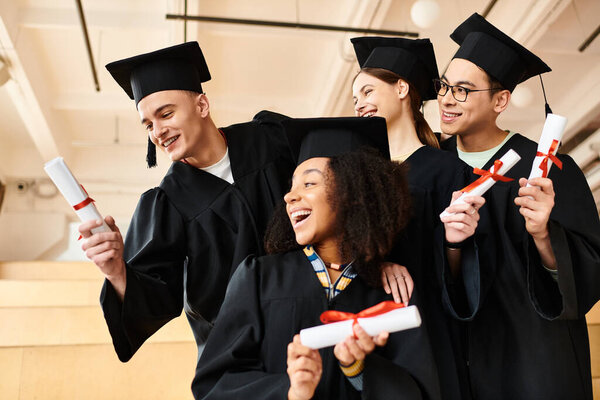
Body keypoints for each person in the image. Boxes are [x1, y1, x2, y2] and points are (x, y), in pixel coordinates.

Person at [77, 42, 296, 391]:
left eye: (166, 114)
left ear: (202, 105)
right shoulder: (167, 203)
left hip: (309, 316)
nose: (157, 131)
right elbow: (156, 295)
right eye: (147, 123)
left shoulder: (270, 141)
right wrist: (117, 269)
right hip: (239, 355)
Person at [193, 116, 441, 399]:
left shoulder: (392, 291)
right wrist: (290, 391)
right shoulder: (259, 278)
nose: (290, 196)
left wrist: (359, 370)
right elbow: (213, 386)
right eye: (291, 186)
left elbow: (421, 392)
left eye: (309, 183)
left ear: (353, 193)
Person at [437, 13, 600, 399]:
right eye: (444, 85)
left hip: (535, 357)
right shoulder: (432, 167)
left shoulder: (546, 167)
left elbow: (587, 275)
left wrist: (544, 235)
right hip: (460, 355)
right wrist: (453, 244)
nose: (446, 98)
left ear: (500, 100)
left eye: (463, 89)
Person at [350, 36, 490, 399]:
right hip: (367, 324)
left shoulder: (448, 170)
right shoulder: (359, 174)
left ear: (401, 87)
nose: (359, 104)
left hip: (428, 324)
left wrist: (454, 243)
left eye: (366, 91)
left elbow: (462, 278)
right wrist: (375, 265)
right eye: (355, 99)